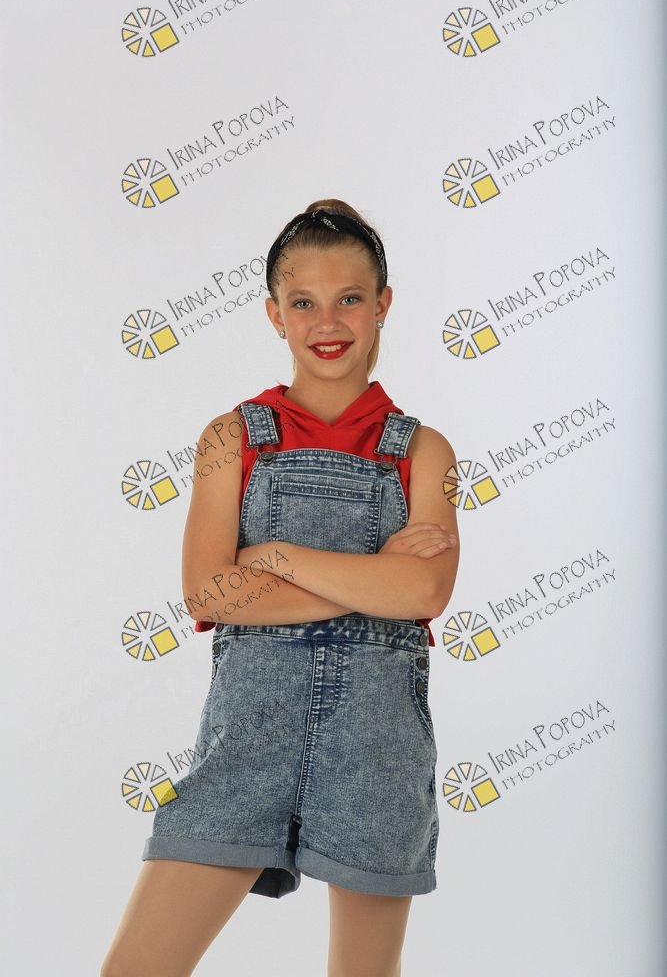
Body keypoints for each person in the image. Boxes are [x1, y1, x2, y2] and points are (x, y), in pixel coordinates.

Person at [100, 199, 460, 977]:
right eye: (302, 302)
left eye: (349, 298)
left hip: (377, 751)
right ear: (274, 314)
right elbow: (210, 596)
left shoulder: (423, 450)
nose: (326, 322)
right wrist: (375, 576)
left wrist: (274, 558)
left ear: (383, 304)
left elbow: (424, 593)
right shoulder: (230, 438)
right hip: (246, 744)